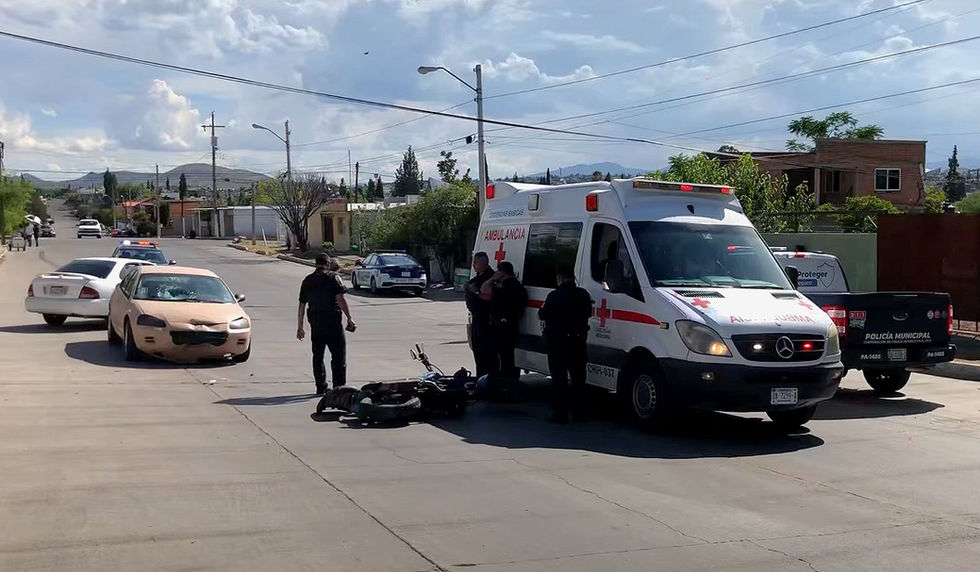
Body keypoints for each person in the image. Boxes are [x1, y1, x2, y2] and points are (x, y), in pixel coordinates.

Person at [539, 267, 594, 424]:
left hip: (559, 343)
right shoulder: (583, 295)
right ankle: (579, 413)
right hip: (578, 342)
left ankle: (560, 414)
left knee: (559, 379)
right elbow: (588, 313)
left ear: (560, 279)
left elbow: (543, 314)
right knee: (578, 379)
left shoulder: (553, 296)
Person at [297, 253, 356, 395]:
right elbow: (340, 299)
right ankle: (339, 388)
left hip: (316, 324)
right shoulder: (333, 278)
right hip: (333, 323)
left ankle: (321, 387)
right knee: (338, 356)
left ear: (315, 264)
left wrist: (300, 327)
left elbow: (302, 305)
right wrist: (349, 318)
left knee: (318, 356)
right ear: (328, 264)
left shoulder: (307, 281)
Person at [480, 261, 527, 383]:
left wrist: (492, 279)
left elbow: (483, 292)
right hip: (513, 325)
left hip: (501, 327)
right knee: (510, 357)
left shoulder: (501, 287)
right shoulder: (519, 287)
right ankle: (512, 382)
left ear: (502, 272)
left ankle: (503, 383)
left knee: (501, 357)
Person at [465, 252, 495, 377]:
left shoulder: (490, 280)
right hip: (478, 322)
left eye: (476, 263)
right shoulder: (476, 280)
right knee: (479, 355)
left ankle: (486, 381)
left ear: (483, 264)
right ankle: (482, 379)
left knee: (487, 356)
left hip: (487, 322)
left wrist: (475, 293)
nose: (474, 266)